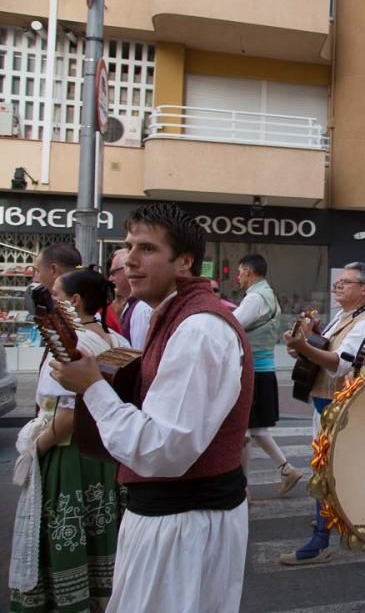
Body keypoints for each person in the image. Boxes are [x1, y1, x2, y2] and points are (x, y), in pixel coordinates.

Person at [49, 202, 254, 613]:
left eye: (147, 249)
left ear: (184, 261)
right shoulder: (175, 315)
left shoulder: (198, 328)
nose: (129, 261)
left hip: (182, 528)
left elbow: (162, 450)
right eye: (128, 247)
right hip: (178, 521)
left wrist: (92, 388)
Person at [10, 268, 130, 612]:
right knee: (101, 535)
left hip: (71, 456)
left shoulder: (72, 345)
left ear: (75, 301)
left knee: (68, 535)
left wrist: (36, 447)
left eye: (58, 296)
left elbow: (65, 417)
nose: (53, 303)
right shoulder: (116, 341)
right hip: (105, 453)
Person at [279, 261, 365, 565]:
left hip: (345, 410)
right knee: (328, 474)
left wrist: (304, 345)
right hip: (328, 405)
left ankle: (329, 541)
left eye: (345, 283)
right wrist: (302, 341)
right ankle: (327, 537)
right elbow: (320, 350)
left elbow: (340, 364)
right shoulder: (344, 317)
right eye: (337, 283)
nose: (337, 287)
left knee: (338, 476)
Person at [234, 254, 301, 497]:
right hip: (263, 369)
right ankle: (286, 469)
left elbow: (233, 324)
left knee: (243, 431)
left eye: (240, 271)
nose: (238, 276)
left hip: (250, 371)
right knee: (257, 429)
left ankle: (241, 488)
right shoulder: (268, 294)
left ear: (250, 271)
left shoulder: (255, 298)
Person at [108, 248, 152, 349]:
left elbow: (138, 355)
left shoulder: (143, 308)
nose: (111, 278)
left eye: (113, 272)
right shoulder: (134, 305)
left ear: (127, 269)